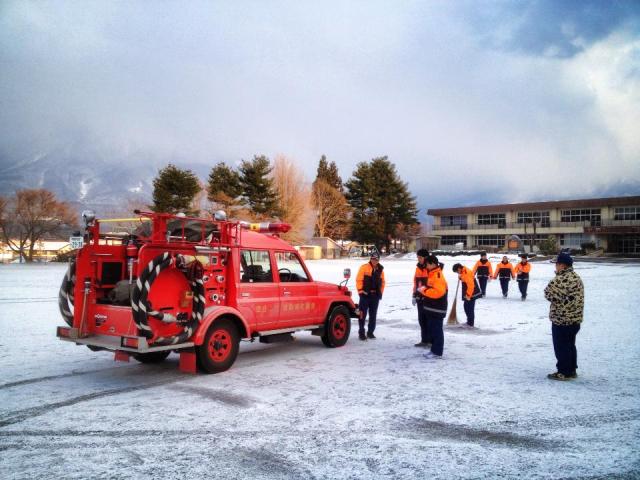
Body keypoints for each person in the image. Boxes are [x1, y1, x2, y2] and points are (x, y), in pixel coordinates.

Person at [544, 252, 584, 381]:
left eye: (556, 264)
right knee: (570, 345)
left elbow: (548, 293)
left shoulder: (562, 278)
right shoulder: (576, 277)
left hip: (562, 318)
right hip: (574, 318)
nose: (555, 267)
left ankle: (564, 372)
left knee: (561, 346)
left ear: (562, 265)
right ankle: (571, 370)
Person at [415, 254, 448, 359]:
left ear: (432, 264)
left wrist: (423, 290)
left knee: (437, 330)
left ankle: (437, 352)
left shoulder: (437, 275)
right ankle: (434, 350)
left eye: (427, 264)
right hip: (432, 308)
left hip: (437, 308)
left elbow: (438, 292)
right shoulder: (433, 273)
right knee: (433, 330)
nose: (426, 267)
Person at [355, 252, 385, 340]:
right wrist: (360, 291)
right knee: (362, 314)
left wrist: (380, 293)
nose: (374, 261)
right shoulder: (364, 267)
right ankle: (361, 332)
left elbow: (383, 282)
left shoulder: (380, 269)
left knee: (373, 315)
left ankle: (370, 332)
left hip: (375, 295)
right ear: (370, 259)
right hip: (365, 295)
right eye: (373, 259)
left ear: (378, 260)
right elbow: (359, 280)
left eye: (376, 259)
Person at [413, 249, 431, 347]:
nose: (418, 259)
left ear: (425, 258)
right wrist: (414, 295)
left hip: (429, 298)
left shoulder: (431, 267)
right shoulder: (418, 268)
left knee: (429, 320)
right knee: (422, 320)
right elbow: (415, 282)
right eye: (418, 257)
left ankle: (431, 341)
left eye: (420, 257)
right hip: (420, 298)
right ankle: (424, 340)